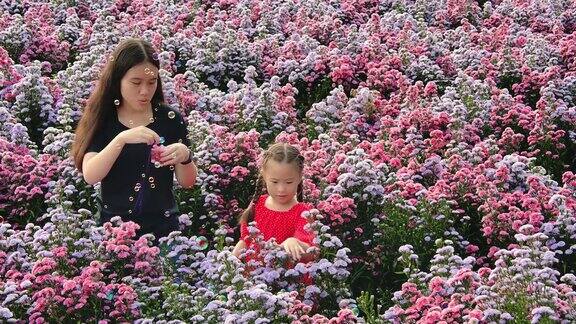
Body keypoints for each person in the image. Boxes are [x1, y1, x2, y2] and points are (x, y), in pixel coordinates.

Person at [71, 38, 197, 240]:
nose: (145, 91)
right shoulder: (105, 119)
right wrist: (120, 139)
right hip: (115, 232)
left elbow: (187, 181)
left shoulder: (169, 119)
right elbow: (91, 174)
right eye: (136, 83)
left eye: (152, 82)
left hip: (165, 230)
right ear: (117, 80)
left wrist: (185, 156)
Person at [232, 143, 315, 262]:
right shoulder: (258, 204)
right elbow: (245, 240)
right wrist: (230, 261)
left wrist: (294, 242)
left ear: (299, 177)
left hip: (285, 277)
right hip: (252, 276)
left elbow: (311, 253)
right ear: (264, 177)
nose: (281, 189)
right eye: (275, 182)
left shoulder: (303, 213)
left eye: (289, 182)